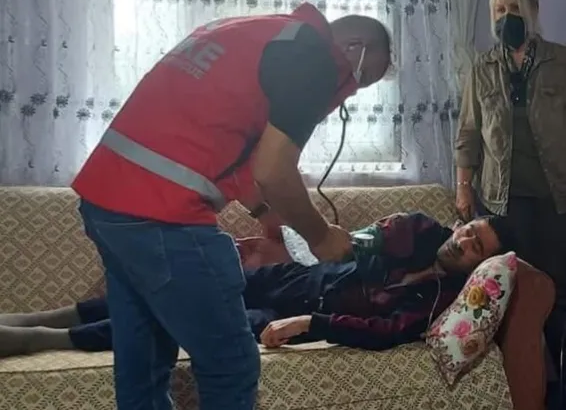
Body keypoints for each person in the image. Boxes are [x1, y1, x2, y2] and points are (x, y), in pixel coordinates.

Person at [71, 2, 392, 410]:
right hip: (161, 215)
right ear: (353, 47)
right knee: (231, 365)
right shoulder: (313, 56)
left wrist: (267, 215)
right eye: (361, 78)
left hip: (107, 202)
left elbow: (233, 146)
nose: (350, 90)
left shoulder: (255, 31)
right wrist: (321, 237)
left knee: (144, 362)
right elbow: (274, 169)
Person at [0, 212, 514, 357]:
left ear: (480, 267)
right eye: (470, 229)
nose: (465, 240)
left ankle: (46, 339)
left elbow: (387, 331)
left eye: (476, 246)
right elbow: (368, 240)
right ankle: (51, 317)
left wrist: (312, 323)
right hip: (296, 277)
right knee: (184, 290)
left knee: (195, 322)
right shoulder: (422, 228)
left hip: (291, 315)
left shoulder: (440, 302)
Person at [454, 0, 566, 372]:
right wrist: (463, 188)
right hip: (502, 202)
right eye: (499, 10)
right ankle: (520, 379)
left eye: (514, 8)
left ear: (533, 9)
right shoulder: (482, 67)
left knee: (557, 291)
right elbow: (468, 133)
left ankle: (557, 382)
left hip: (555, 199)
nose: (506, 18)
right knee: (510, 295)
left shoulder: (560, 61)